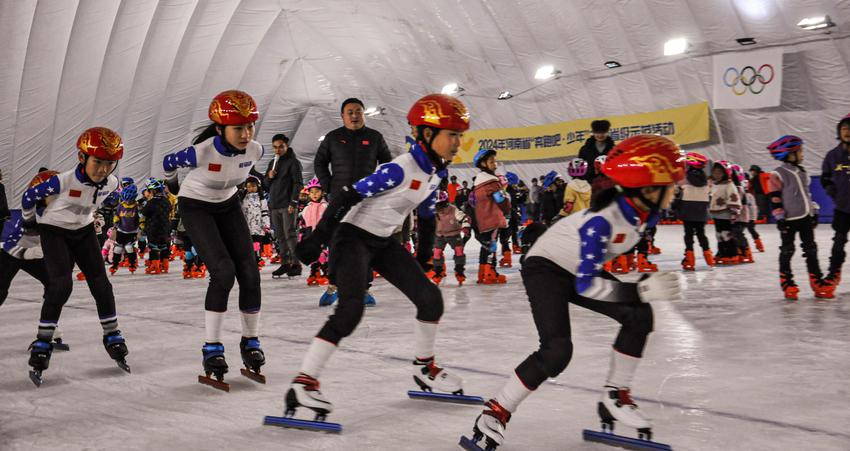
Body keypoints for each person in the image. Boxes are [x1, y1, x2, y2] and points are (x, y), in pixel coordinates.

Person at [465, 135, 684, 450]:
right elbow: (588, 286)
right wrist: (643, 288)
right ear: (648, 188)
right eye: (671, 184)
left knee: (639, 315)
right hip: (547, 268)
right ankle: (496, 411)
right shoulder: (603, 223)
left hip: (578, 264)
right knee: (557, 351)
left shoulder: (641, 211)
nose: (676, 190)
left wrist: (640, 290)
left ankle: (614, 395)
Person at [284, 93, 470, 421]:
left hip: (382, 242)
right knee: (350, 310)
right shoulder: (400, 169)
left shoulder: (436, 174)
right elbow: (346, 195)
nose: (457, 143)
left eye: (459, 135)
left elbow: (426, 217)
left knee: (430, 300)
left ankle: (424, 368)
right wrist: (316, 241)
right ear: (427, 135)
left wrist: (426, 259)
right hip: (351, 238)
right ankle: (303, 383)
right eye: (451, 135)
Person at [162, 90, 266, 385]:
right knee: (223, 272)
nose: (246, 134)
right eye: (238, 128)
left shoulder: (255, 150)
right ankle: (212, 347)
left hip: (228, 204)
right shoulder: (201, 152)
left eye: (249, 127)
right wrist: (172, 186)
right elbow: (169, 162)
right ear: (220, 129)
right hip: (196, 205)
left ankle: (250, 341)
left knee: (250, 272)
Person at [21, 127, 129, 384]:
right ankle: (43, 342)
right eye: (98, 162)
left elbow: (105, 197)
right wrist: (29, 222)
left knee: (102, 285)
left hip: (82, 231)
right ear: (82, 158)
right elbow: (29, 195)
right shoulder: (63, 181)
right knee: (61, 285)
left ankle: (113, 336)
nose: (103, 169)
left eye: (109, 163)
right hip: (54, 231)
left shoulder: (112, 183)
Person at [312, 98, 392, 303]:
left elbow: (387, 164)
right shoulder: (333, 138)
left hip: (366, 199)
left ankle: (364, 289)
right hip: (339, 199)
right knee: (337, 242)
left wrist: (380, 187)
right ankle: (333, 287)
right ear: (342, 115)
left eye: (358, 111)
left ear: (363, 114)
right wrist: (328, 186)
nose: (354, 115)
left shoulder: (374, 137)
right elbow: (320, 162)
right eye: (350, 112)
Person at [766, 136, 830, 300]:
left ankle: (817, 280)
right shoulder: (777, 174)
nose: (802, 154)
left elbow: (806, 195)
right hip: (788, 219)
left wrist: (814, 211)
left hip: (805, 218)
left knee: (811, 250)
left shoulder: (801, 172)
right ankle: (787, 282)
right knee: (787, 250)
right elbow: (775, 199)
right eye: (799, 151)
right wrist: (780, 218)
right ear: (789, 154)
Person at [264, 133, 303, 278]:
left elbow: (298, 183)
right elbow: (266, 185)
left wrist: (293, 201)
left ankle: (296, 264)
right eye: (275, 147)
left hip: (287, 205)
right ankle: (285, 263)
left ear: (287, 146)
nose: (278, 150)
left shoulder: (293, 163)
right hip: (274, 205)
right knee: (280, 236)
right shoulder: (272, 162)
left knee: (290, 234)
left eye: (281, 146)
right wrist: (269, 176)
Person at [820, 113, 850, 294]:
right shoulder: (833, 156)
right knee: (838, 242)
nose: (848, 132)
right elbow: (825, 179)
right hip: (843, 208)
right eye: (844, 128)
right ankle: (833, 273)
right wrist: (835, 195)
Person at [471, 148, 510, 284]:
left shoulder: (478, 184)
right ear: (483, 164)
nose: (495, 164)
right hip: (492, 219)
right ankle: (490, 273)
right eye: (492, 162)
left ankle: (482, 273)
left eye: (495, 161)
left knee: (486, 246)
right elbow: (500, 200)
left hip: (482, 220)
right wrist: (507, 207)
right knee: (492, 245)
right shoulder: (491, 182)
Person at [674, 151, 714, 270]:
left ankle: (690, 259)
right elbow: (709, 193)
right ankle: (709, 258)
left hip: (688, 207)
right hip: (701, 209)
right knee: (701, 234)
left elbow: (676, 190)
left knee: (689, 234)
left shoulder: (684, 177)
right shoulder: (705, 179)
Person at [430, 190, 470, 285]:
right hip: (439, 235)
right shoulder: (432, 211)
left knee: (459, 250)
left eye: (440, 204)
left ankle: (459, 271)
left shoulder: (453, 209)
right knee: (436, 252)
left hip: (454, 234)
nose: (438, 207)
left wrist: (465, 226)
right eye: (437, 205)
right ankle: (438, 271)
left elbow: (464, 217)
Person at [709, 161, 741, 265]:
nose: (716, 175)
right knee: (718, 234)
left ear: (725, 173)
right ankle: (722, 252)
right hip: (716, 214)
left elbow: (733, 197)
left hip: (725, 212)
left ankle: (732, 253)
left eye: (719, 172)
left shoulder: (729, 184)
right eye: (715, 172)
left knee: (726, 234)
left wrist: (734, 211)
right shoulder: (714, 184)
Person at [299, 178, 329, 288]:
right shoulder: (306, 208)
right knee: (313, 256)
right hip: (311, 236)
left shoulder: (325, 207)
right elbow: (303, 223)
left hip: (323, 236)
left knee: (323, 256)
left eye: (317, 191)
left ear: (322, 192)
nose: (314, 194)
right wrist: (302, 235)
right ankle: (314, 273)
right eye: (311, 192)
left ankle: (326, 273)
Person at [140, 178, 172, 274]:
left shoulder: (151, 203)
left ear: (152, 191)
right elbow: (170, 210)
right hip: (165, 227)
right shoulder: (166, 201)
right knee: (164, 246)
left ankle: (155, 267)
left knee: (153, 247)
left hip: (153, 228)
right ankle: (165, 266)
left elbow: (143, 214)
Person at [109, 183, 140, 274]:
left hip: (132, 231)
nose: (127, 202)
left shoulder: (136, 207)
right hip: (121, 230)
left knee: (129, 247)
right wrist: (115, 224)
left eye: (129, 201)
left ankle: (132, 263)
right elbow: (117, 216)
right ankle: (115, 264)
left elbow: (140, 218)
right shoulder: (120, 206)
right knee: (117, 248)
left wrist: (140, 230)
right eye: (126, 200)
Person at [241, 175, 270, 270]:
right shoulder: (243, 198)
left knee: (256, 244)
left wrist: (266, 225)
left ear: (258, 186)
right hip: (246, 226)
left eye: (253, 186)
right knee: (249, 244)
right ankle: (252, 260)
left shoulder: (262, 199)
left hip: (258, 226)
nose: (251, 188)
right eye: (249, 186)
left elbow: (265, 212)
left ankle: (257, 259)